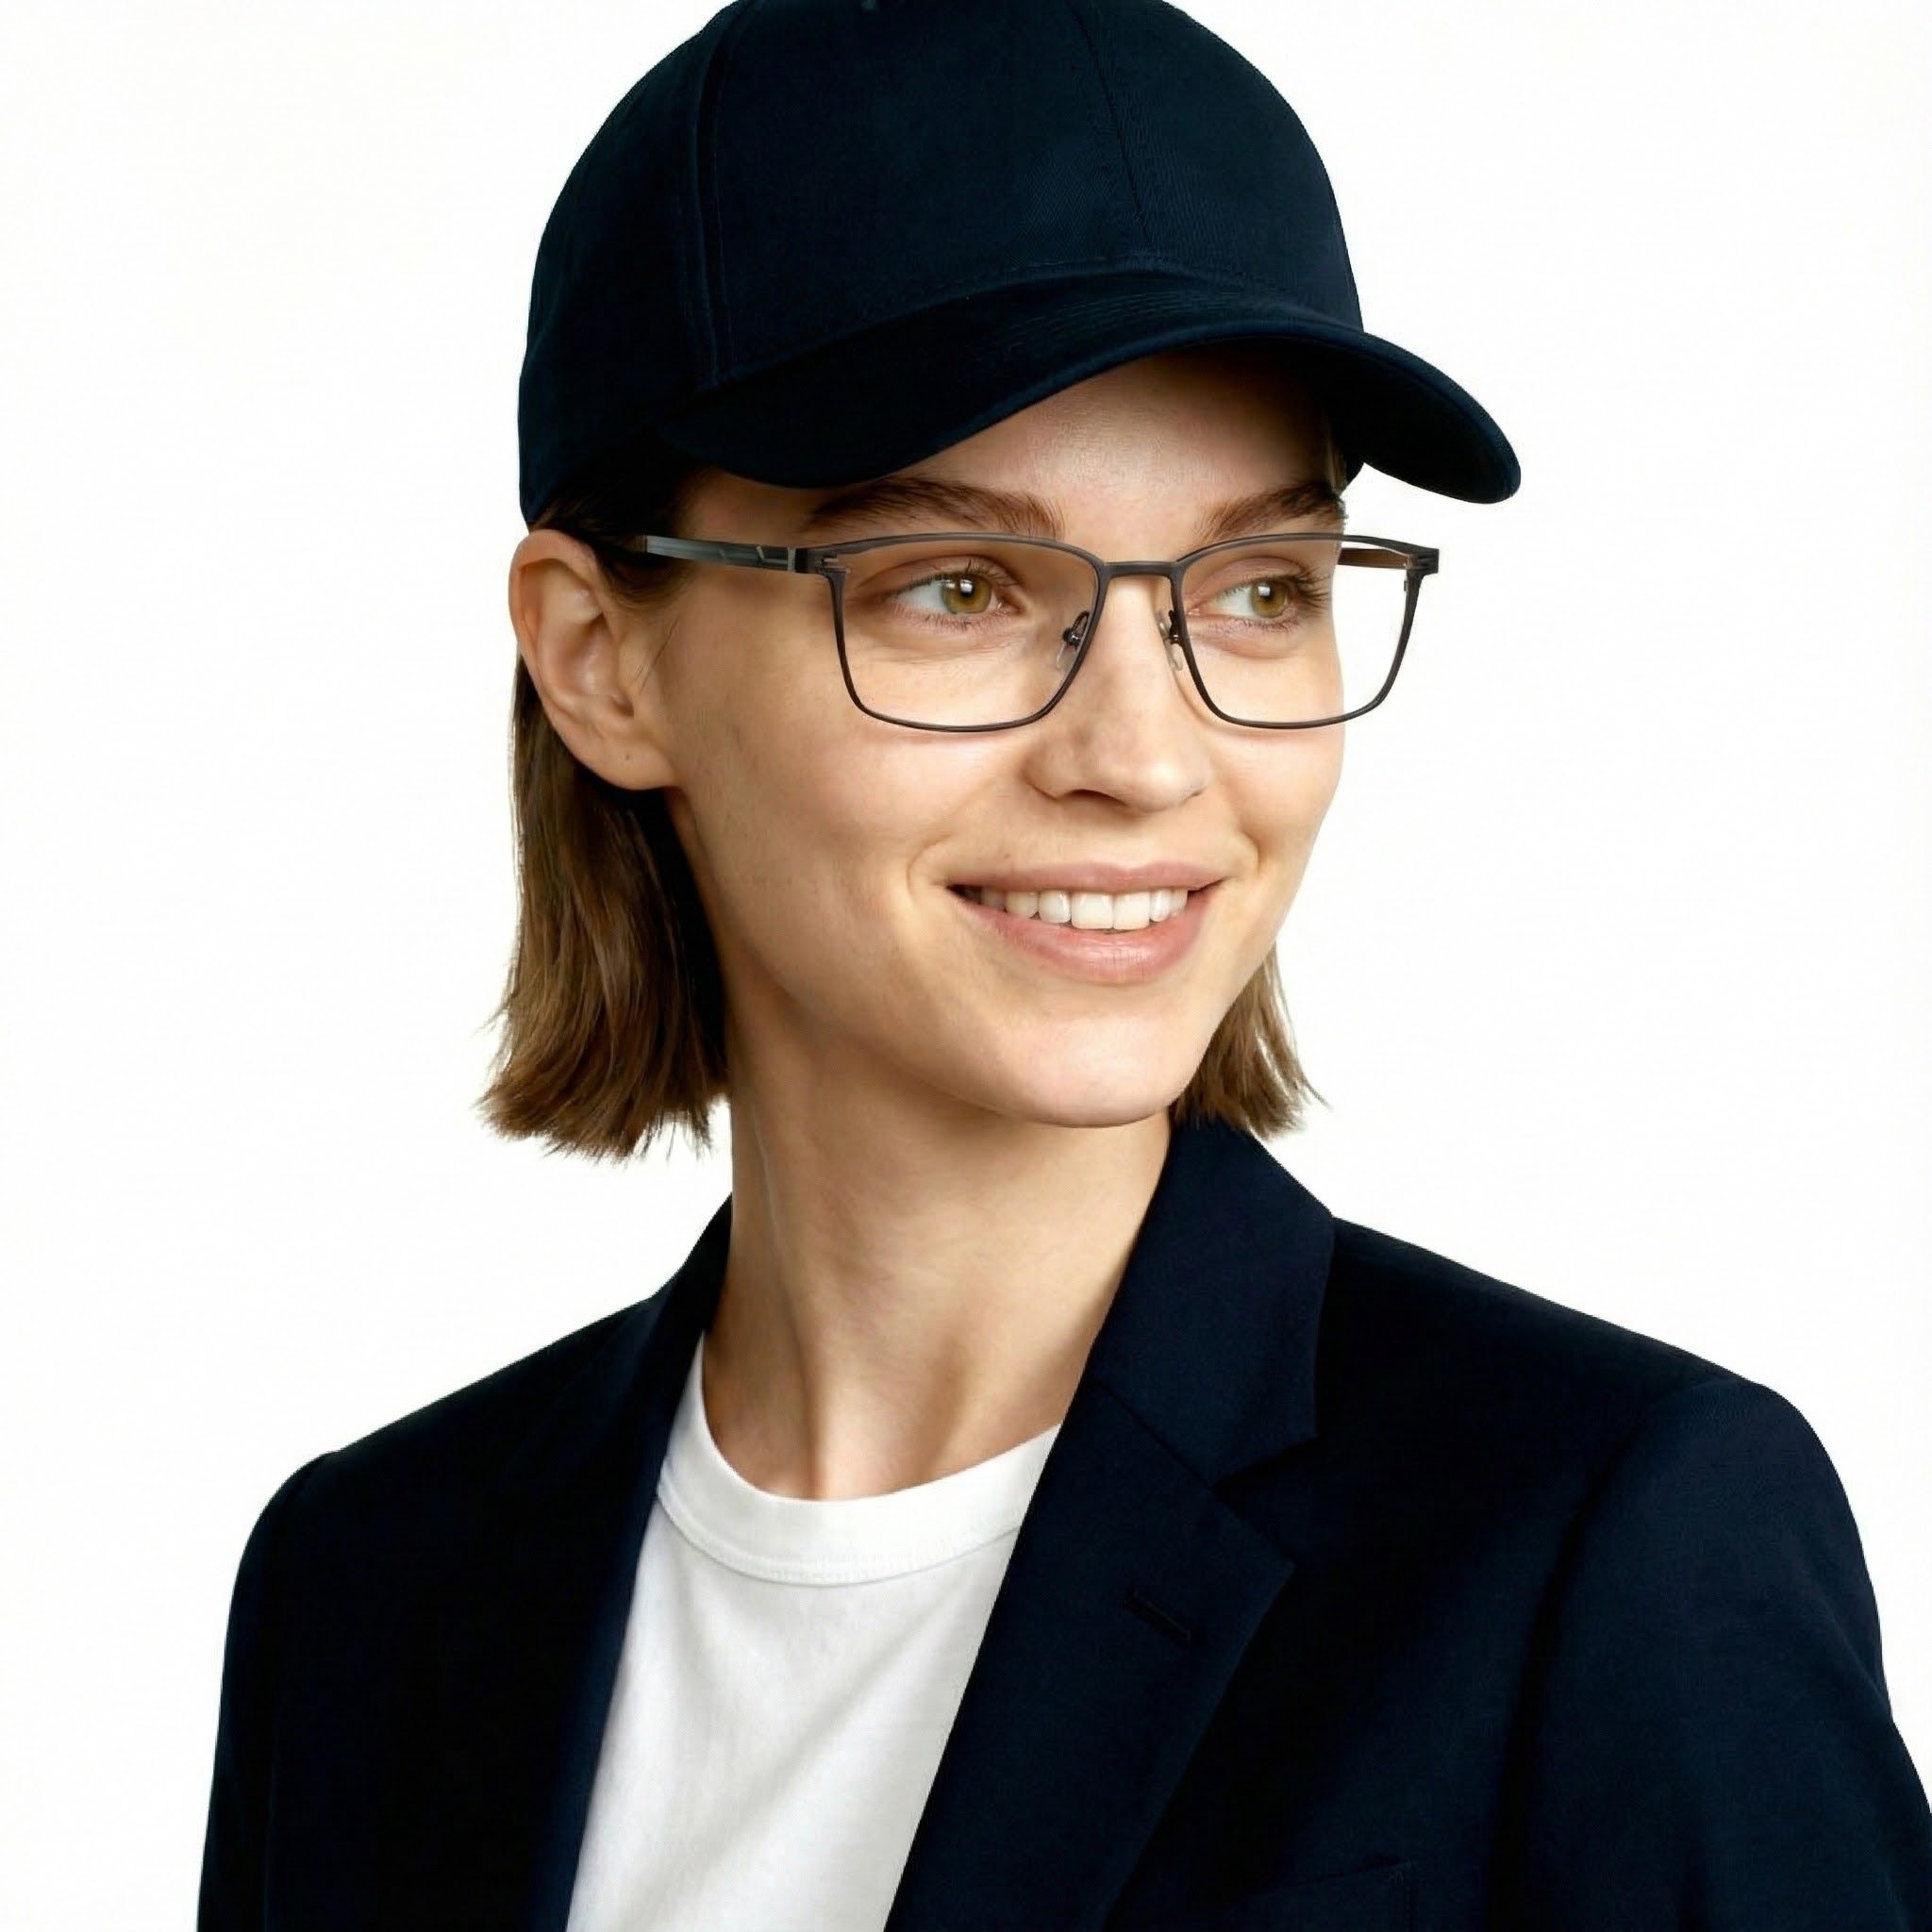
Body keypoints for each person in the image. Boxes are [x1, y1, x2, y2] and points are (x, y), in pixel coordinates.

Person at [198, 1, 1932, 1926]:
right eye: (955, 588)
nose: (1146, 755)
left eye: (1257, 592)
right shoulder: (369, 1586)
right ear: (601, 656)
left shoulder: (1604, 1548)